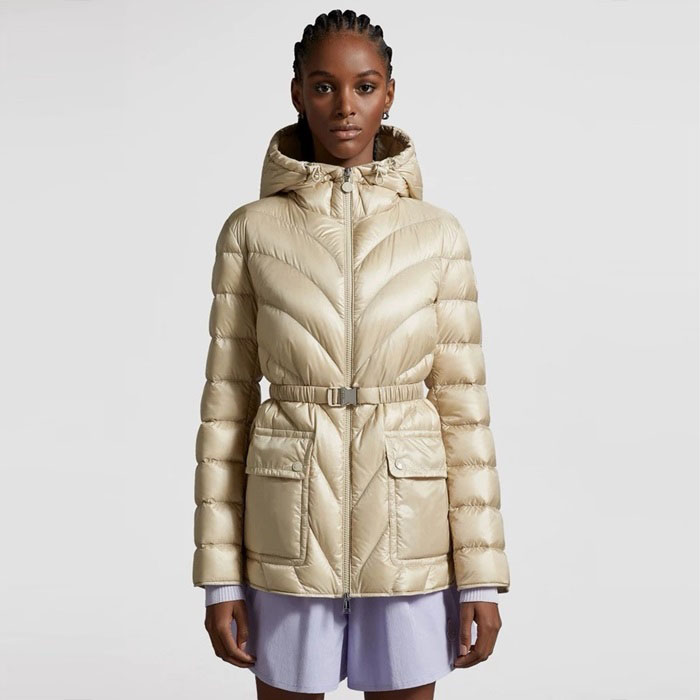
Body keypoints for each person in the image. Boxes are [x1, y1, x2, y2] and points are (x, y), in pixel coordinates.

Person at [192, 9, 510, 697]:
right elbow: (225, 411)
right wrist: (220, 579)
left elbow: (465, 416)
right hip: (288, 531)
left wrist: (480, 577)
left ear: (389, 93)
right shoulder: (251, 231)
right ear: (298, 94)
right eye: (324, 86)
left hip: (407, 529)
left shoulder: (438, 235)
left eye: (364, 87)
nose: (344, 106)